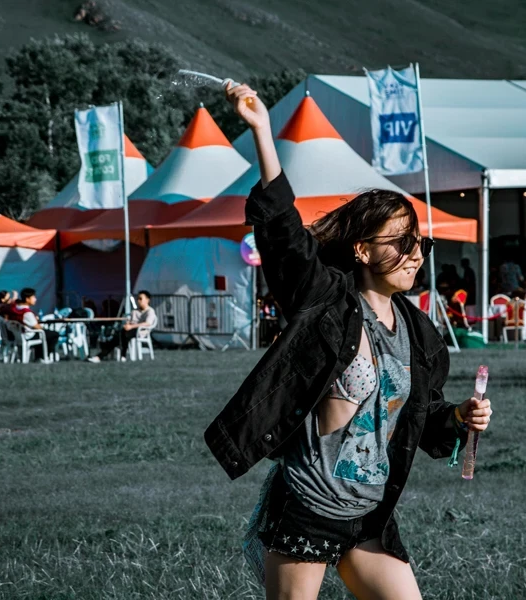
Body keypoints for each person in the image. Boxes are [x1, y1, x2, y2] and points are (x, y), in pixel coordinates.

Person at [205, 83, 493, 600]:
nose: (415, 255)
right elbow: (286, 238)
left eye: (419, 243)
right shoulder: (326, 304)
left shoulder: (420, 334)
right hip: (310, 505)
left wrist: (457, 417)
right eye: (400, 243)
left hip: (369, 517)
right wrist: (263, 134)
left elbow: (423, 418)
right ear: (362, 250)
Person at [87, 291, 157, 362]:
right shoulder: (135, 311)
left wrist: (132, 327)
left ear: (147, 300)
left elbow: (147, 323)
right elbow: (130, 321)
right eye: (137, 299)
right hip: (128, 331)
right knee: (120, 335)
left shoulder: (150, 311)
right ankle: (116, 355)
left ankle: (102, 354)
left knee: (120, 335)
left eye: (140, 299)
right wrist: (127, 325)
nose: (138, 301)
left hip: (140, 331)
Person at [10, 288, 59, 362]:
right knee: (53, 334)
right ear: (27, 299)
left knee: (45, 334)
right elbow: (37, 327)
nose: (35, 299)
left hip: (17, 335)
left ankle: (39, 356)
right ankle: (42, 356)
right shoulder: (26, 312)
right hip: (28, 335)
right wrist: (42, 327)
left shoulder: (16, 309)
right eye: (33, 297)